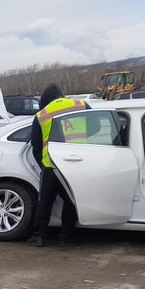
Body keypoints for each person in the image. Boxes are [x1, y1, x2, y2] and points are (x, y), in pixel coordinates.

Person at [27, 83, 90, 247]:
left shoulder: (42, 114)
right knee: (71, 200)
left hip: (52, 165)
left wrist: (44, 165)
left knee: (45, 202)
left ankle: (38, 237)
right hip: (76, 163)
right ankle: (65, 237)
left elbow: (36, 145)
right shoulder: (81, 105)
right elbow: (95, 126)